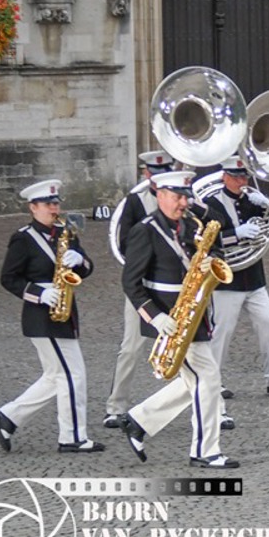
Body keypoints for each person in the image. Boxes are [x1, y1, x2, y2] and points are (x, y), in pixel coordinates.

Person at [119, 170, 238, 469]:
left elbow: (216, 246)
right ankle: (205, 451)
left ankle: (138, 421)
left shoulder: (190, 225)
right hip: (170, 317)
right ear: (159, 195)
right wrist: (155, 317)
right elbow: (130, 283)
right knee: (207, 379)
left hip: (195, 313)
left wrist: (212, 259)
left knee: (197, 380)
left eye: (185, 197)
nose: (183, 203)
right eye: (176, 197)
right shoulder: (145, 231)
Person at [0, 179, 101, 454]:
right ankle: (72, 437)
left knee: (55, 376)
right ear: (33, 207)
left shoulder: (66, 233)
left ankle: (9, 416)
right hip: (41, 314)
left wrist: (80, 260)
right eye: (48, 204)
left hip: (65, 311)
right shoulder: (23, 238)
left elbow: (86, 268)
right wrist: (39, 294)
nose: (54, 209)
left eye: (56, 204)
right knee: (73, 375)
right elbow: (8, 278)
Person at [203, 156, 269, 410]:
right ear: (225, 177)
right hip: (226, 280)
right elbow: (204, 240)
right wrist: (235, 235)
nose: (241, 182)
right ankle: (213, 380)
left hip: (254, 277)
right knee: (221, 332)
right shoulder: (211, 204)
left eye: (244, 177)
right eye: (236, 177)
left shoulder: (251, 200)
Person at [103, 149, 177, 429]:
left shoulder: (183, 200)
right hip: (144, 286)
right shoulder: (135, 201)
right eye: (154, 175)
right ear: (147, 174)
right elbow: (124, 243)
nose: (158, 180)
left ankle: (212, 407)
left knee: (196, 349)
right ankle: (116, 406)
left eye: (164, 174)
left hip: (175, 286)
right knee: (131, 347)